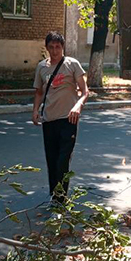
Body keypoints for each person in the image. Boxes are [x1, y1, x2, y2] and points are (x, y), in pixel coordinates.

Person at [32, 32, 89, 202]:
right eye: (51, 47)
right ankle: (54, 194)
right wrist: (35, 110)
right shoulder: (42, 67)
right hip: (49, 119)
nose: (55, 50)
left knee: (63, 160)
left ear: (62, 48)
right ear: (47, 48)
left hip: (68, 119)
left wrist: (78, 106)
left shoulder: (72, 64)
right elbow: (39, 91)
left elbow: (85, 91)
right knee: (52, 159)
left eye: (58, 47)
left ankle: (61, 197)